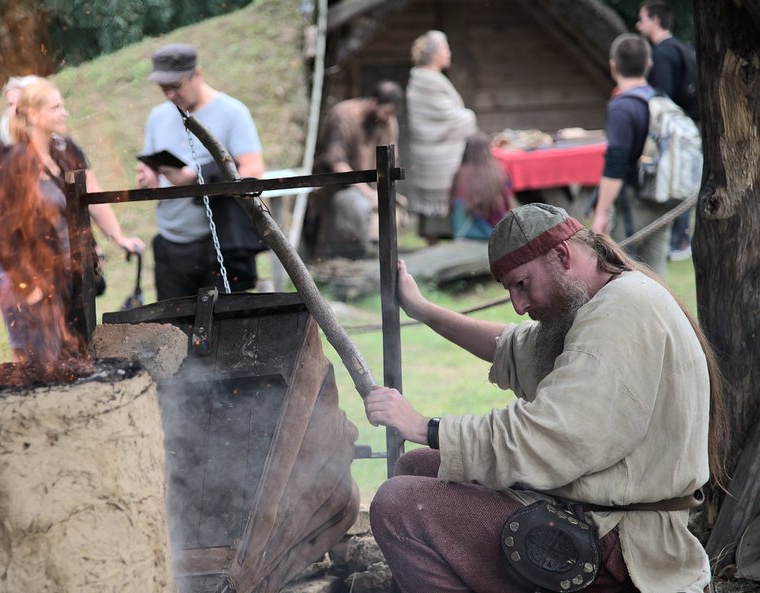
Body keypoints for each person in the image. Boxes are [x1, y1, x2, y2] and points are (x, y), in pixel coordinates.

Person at [365, 202, 724, 593]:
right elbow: (514, 346)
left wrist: (427, 427)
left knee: (398, 505)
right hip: (600, 510)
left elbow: (549, 439)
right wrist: (423, 310)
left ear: (562, 255)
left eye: (522, 284)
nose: (519, 305)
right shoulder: (603, 301)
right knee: (415, 466)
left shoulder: (621, 314)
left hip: (622, 542)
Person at [0, 76, 144, 362]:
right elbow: (4, 237)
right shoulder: (14, 164)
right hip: (37, 284)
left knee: (78, 359)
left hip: (68, 278)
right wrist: (29, 289)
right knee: (44, 366)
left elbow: (89, 198)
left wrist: (114, 239)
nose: (64, 113)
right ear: (33, 114)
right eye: (56, 107)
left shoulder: (61, 154)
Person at [0, 76, 144, 269]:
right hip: (22, 269)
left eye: (19, 102)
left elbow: (91, 193)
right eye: (10, 104)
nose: (15, 109)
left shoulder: (64, 150)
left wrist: (117, 238)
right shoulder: (1, 152)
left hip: (62, 262)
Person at [135, 43, 265, 300]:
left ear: (198, 74)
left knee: (224, 330)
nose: (170, 95)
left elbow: (253, 171)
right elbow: (148, 166)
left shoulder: (233, 113)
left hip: (220, 243)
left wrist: (195, 178)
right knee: (173, 331)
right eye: (164, 89)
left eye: (176, 86)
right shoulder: (157, 116)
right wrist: (148, 176)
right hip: (171, 241)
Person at [591, 34, 672, 278]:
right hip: (661, 198)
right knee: (656, 276)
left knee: (616, 275)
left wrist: (601, 213)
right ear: (649, 64)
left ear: (613, 65)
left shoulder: (622, 107)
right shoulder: (660, 99)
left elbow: (615, 163)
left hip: (634, 203)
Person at [302, 80, 403, 260]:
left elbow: (392, 158)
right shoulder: (344, 116)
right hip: (339, 188)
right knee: (355, 207)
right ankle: (343, 263)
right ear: (373, 101)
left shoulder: (388, 121)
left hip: (371, 186)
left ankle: (377, 259)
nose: (387, 118)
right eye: (385, 112)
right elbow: (336, 161)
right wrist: (366, 191)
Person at [636, 0, 698, 261]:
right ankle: (681, 237)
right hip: (689, 126)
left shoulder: (662, 53)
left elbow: (663, 97)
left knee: (672, 181)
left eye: (642, 19)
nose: (638, 25)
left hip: (673, 130)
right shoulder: (681, 46)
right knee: (682, 180)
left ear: (655, 20)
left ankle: (678, 239)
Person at [406, 30, 477, 245]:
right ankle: (434, 242)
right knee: (438, 199)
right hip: (434, 153)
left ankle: (444, 240)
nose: (449, 52)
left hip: (437, 151)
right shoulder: (425, 80)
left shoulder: (429, 78)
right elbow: (441, 116)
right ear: (434, 54)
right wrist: (468, 117)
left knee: (444, 199)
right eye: (445, 48)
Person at [449, 131, 514, 240]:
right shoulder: (500, 172)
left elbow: (452, 205)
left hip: (466, 232)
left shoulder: (460, 174)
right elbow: (507, 204)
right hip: (496, 231)